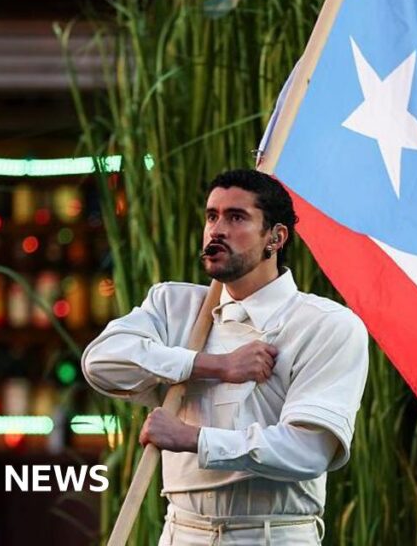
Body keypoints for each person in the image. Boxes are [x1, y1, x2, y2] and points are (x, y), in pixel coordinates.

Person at [82, 169, 369, 545]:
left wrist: (194, 438)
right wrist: (213, 366)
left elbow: (308, 451)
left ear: (276, 237)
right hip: (181, 532)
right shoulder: (174, 307)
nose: (217, 230)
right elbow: (100, 362)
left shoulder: (325, 324)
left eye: (236, 217)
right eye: (211, 216)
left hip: (273, 535)